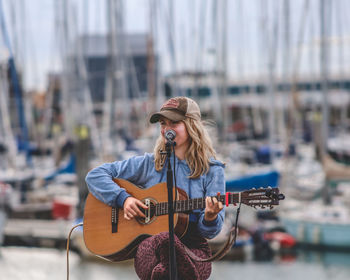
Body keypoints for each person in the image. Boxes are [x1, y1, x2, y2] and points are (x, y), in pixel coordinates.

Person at [85, 96, 225, 280]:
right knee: (165, 240)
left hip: (193, 249)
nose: (166, 129)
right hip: (151, 247)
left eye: (174, 123)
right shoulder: (148, 163)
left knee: (165, 269)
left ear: (191, 126)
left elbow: (211, 232)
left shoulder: (213, 170)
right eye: (162, 123)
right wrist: (124, 199)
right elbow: (95, 175)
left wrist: (210, 216)